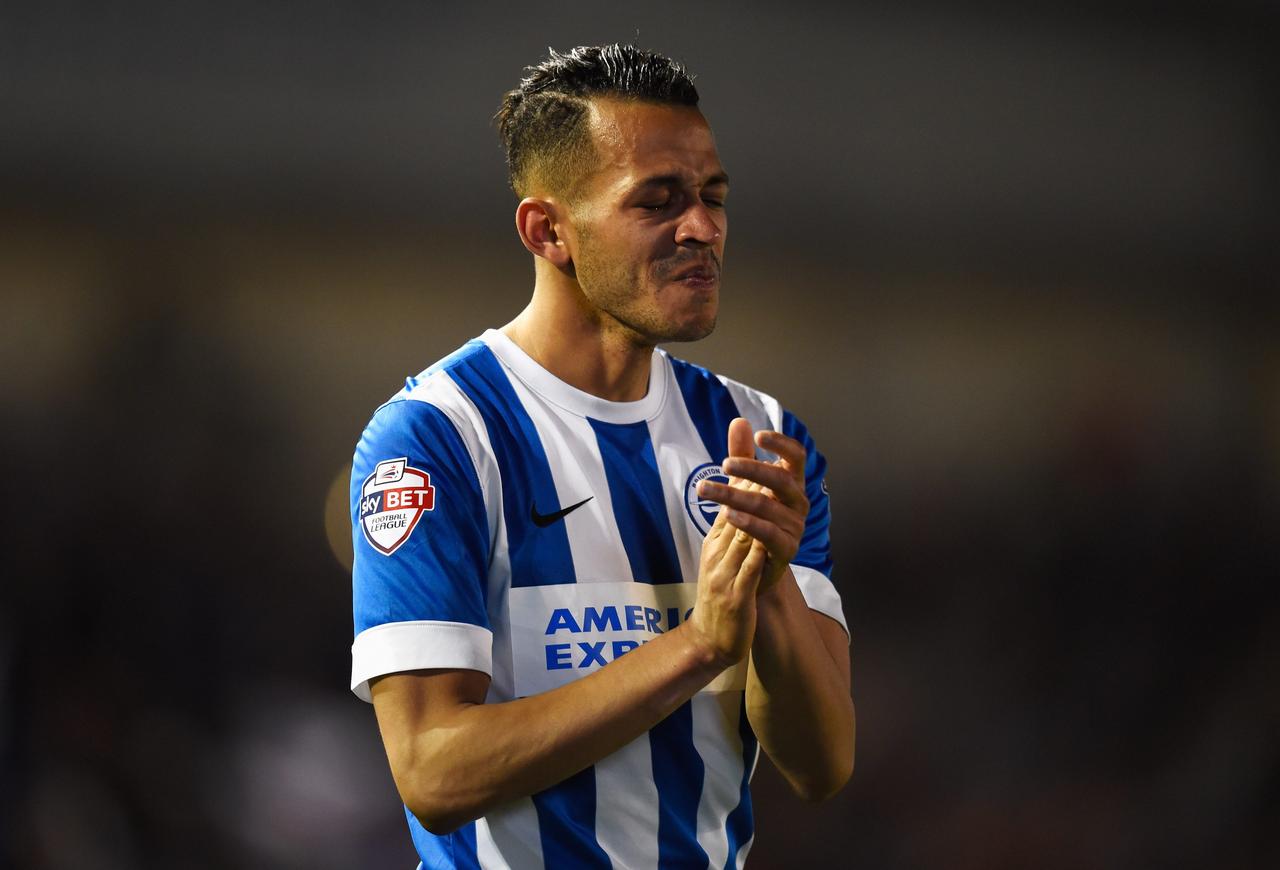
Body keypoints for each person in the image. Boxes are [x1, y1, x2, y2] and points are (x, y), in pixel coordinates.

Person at [349, 43, 855, 869]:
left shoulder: (761, 436)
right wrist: (697, 646)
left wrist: (768, 593)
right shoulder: (439, 437)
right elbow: (434, 770)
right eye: (658, 201)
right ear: (548, 230)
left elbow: (822, 766)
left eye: (713, 197)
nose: (702, 228)